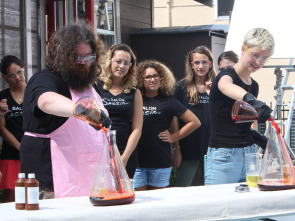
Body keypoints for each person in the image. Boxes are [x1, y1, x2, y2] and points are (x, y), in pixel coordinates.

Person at [20, 22, 111, 199]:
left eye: (88, 58)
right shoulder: (45, 79)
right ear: (62, 56)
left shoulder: (88, 85)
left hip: (88, 182)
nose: (83, 64)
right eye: (77, 58)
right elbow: (46, 101)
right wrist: (83, 112)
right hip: (51, 184)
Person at [205, 28, 274, 185]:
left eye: (264, 58)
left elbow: (241, 124)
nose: (258, 62)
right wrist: (252, 100)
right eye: (255, 55)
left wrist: (262, 140)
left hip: (249, 154)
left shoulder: (253, 85)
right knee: (218, 206)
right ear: (243, 49)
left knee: (246, 207)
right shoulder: (226, 76)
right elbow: (224, 86)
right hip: (224, 155)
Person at [134, 60, 200, 190]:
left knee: (158, 205)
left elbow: (195, 122)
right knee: (138, 204)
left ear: (161, 78)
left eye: (155, 76)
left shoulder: (169, 101)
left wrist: (173, 138)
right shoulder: (135, 98)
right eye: (148, 77)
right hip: (136, 161)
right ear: (141, 79)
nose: (152, 79)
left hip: (160, 161)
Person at [96, 44, 143, 178]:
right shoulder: (96, 86)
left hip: (125, 149)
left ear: (130, 66)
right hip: (100, 148)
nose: (121, 66)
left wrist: (124, 158)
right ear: (110, 61)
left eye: (126, 63)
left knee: (124, 193)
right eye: (118, 61)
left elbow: (137, 129)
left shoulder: (135, 91)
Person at [172, 46, 217, 187]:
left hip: (214, 149)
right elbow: (174, 118)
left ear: (210, 63)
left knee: (212, 190)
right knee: (182, 188)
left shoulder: (219, 86)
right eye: (197, 62)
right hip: (188, 148)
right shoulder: (181, 87)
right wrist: (176, 148)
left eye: (204, 62)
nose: (201, 66)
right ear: (191, 64)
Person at [0, 55, 25, 202]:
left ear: (24, 70)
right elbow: (1, 129)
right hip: (11, 154)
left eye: (19, 72)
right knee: (10, 195)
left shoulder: (35, 93)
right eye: (12, 75)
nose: (17, 77)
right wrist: (19, 146)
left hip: (33, 151)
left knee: (34, 193)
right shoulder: (2, 97)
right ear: (5, 77)